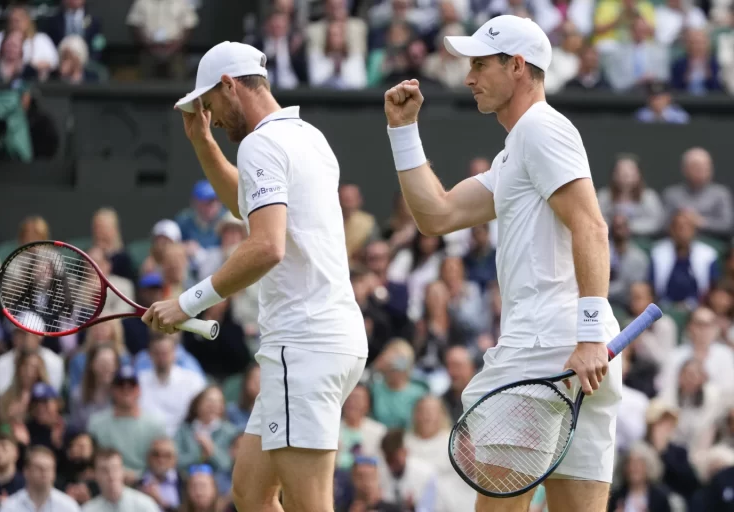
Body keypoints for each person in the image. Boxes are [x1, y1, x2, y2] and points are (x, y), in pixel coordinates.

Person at [384, 14, 622, 512]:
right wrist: (403, 132)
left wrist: (589, 335)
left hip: (549, 350)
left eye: (480, 65)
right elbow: (438, 214)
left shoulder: (541, 130)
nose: (469, 77)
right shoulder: (518, 149)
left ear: (516, 66)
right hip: (573, 352)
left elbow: (591, 226)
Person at [141, 41, 368, 512]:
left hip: (303, 347)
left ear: (229, 86)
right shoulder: (307, 135)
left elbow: (266, 245)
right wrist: (203, 142)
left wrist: (186, 303)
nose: (213, 117)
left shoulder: (261, 143)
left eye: (210, 105)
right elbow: (245, 207)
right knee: (250, 492)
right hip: (329, 340)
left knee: (311, 505)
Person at [0, 446, 81, 512]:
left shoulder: (68, 507)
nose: (44, 472)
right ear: (26, 471)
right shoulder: (10, 507)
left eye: (48, 468)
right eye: (39, 467)